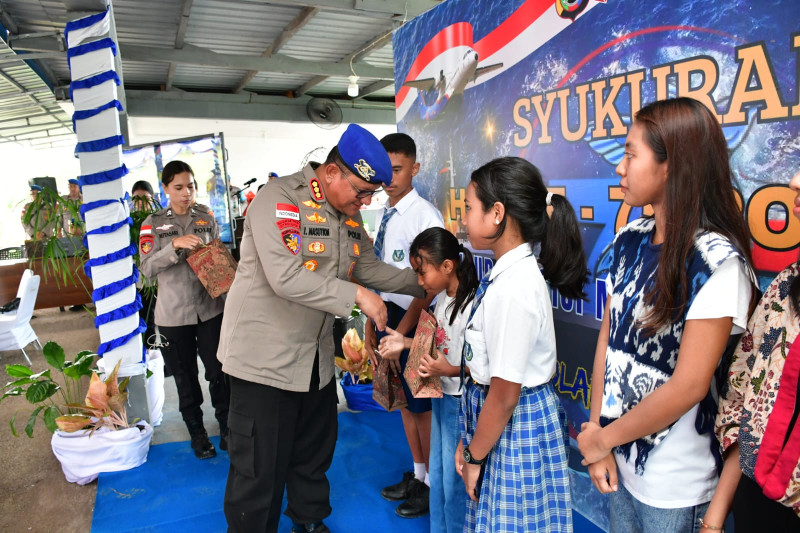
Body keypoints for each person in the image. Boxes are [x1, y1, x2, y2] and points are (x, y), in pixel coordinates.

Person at [217, 124, 426, 533]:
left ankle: (308, 521)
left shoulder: (349, 216)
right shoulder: (279, 200)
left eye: (371, 196)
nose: (364, 202)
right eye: (361, 192)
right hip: (264, 362)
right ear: (332, 172)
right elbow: (285, 277)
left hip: (312, 361)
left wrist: (428, 281)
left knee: (313, 453)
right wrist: (358, 296)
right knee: (258, 469)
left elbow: (369, 267)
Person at [577, 97, 757, 533]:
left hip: (675, 486)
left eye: (630, 154)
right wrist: (599, 433)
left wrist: (602, 439)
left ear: (671, 165)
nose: (620, 167)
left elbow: (689, 386)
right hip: (618, 461)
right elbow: (608, 340)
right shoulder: (629, 239)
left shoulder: (716, 263)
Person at [454, 156, 586, 532]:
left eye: (468, 208)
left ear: (496, 213)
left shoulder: (514, 289)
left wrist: (474, 455)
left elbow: (505, 394)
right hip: (501, 424)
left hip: (515, 428)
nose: (464, 219)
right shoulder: (508, 276)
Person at [709, 169, 800, 531]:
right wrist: (715, 519)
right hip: (756, 506)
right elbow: (745, 406)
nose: (794, 180)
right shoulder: (784, 289)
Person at [364, 132, 444, 519]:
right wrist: (373, 321)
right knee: (405, 404)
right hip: (389, 318)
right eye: (384, 170)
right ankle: (417, 473)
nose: (389, 177)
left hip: (415, 321)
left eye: (397, 169)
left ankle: (430, 485)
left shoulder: (424, 216)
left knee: (422, 406)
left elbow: (429, 286)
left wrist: (404, 333)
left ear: (414, 168)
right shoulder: (385, 212)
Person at [379, 227, 477, 533]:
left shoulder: (471, 306)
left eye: (423, 274)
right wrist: (404, 343)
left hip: (459, 403)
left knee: (453, 478)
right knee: (438, 472)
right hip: (442, 398)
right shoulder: (440, 302)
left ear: (447, 266)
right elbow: (431, 342)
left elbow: (478, 368)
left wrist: (445, 370)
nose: (419, 283)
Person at [139, 160, 230, 460]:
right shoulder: (152, 224)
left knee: (218, 372)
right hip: (173, 316)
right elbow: (146, 268)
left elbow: (218, 259)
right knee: (185, 377)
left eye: (190, 186)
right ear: (165, 188)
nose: (186, 193)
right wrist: (174, 246)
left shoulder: (205, 217)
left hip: (210, 310)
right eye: (178, 187)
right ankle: (198, 435)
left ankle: (227, 428)